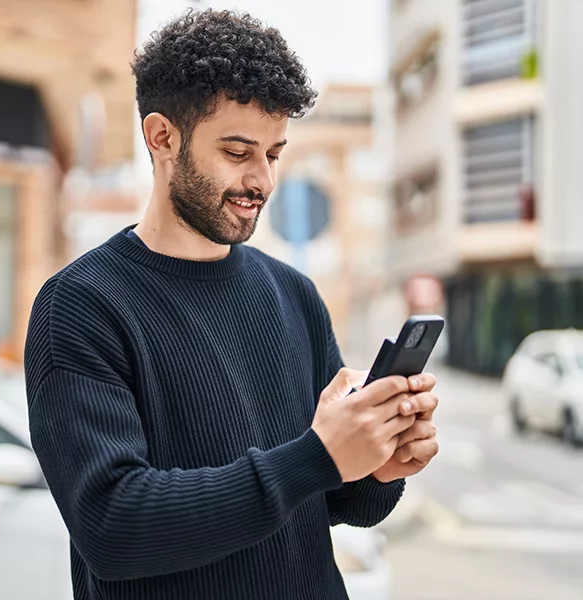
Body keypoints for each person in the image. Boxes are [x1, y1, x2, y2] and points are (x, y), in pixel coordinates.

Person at [24, 9, 439, 600]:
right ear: (162, 137)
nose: (263, 181)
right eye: (238, 152)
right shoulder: (83, 307)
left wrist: (378, 462)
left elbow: (333, 501)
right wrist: (315, 457)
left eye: (273, 154)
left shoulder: (293, 294)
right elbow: (113, 528)